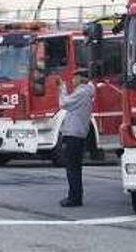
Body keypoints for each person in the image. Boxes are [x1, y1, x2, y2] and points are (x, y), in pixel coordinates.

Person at [58, 69, 95, 207]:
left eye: (75, 77)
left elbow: (64, 103)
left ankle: (74, 198)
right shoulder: (86, 91)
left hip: (73, 133)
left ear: (80, 79)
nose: (72, 80)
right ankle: (74, 196)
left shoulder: (81, 92)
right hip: (79, 133)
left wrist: (61, 89)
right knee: (75, 167)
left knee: (72, 168)